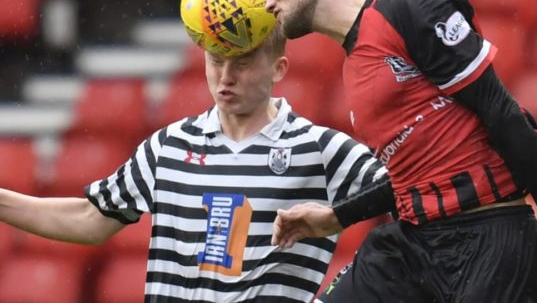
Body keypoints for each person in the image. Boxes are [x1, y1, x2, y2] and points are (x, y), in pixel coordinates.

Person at [261, 0, 537, 302]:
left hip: (489, 239)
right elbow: (411, 179)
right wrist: (337, 217)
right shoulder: (352, 69)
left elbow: (500, 110)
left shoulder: (409, 12)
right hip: (410, 245)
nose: (269, 1)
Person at [0, 24, 392, 302]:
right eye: (215, 60)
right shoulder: (169, 145)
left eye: (241, 62)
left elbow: (416, 193)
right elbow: (90, 219)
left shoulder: (319, 148)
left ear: (279, 68)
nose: (225, 77)